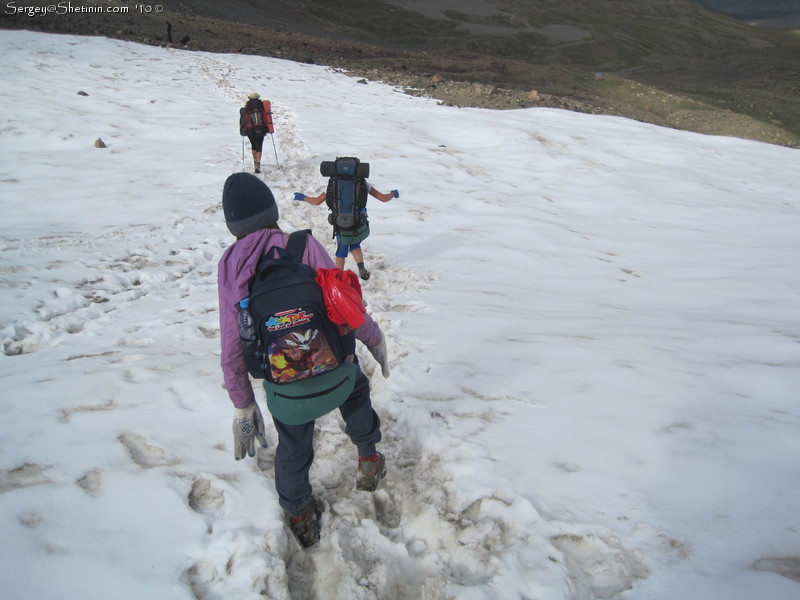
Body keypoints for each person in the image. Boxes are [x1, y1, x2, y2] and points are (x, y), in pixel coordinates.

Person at [217, 172, 390, 548]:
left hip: (288, 395)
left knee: (293, 446)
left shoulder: (231, 266)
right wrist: (374, 340)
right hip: (338, 377)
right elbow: (345, 304)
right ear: (272, 211)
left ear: (233, 226)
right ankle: (367, 459)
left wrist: (243, 405)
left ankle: (299, 515)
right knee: (358, 389)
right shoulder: (303, 245)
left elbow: (232, 343)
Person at [293, 180, 399, 281]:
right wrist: (393, 194)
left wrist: (302, 197)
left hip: (341, 224)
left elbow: (316, 201)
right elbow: (384, 198)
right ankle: (361, 268)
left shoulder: (334, 185)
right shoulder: (363, 183)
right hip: (358, 223)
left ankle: (339, 277)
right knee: (354, 242)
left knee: (341, 250)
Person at [239, 93, 273, 173]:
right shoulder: (262, 106)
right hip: (262, 128)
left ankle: (255, 162)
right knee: (259, 146)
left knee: (254, 146)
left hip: (251, 130)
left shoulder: (247, 107)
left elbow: (245, 119)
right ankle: (258, 163)